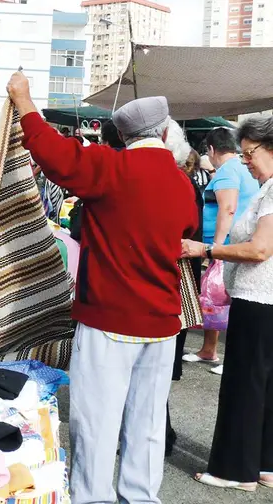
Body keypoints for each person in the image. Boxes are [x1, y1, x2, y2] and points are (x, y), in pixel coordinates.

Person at [7, 72, 196, 504]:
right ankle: (142, 497)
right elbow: (185, 236)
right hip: (163, 321)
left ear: (122, 136)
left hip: (109, 318)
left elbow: (54, 152)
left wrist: (24, 101)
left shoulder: (111, 167)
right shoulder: (182, 184)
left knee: (97, 422)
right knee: (146, 425)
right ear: (166, 132)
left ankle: (94, 499)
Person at [181, 116, 273, 492]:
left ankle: (235, 470)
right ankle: (265, 464)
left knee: (244, 385)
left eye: (249, 153)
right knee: (265, 385)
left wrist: (207, 248)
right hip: (264, 299)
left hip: (259, 298)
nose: (245, 161)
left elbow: (260, 248)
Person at [182, 127, 259, 373]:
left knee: (229, 299)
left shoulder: (226, 172)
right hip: (235, 242)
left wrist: (212, 249)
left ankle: (232, 359)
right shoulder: (243, 168)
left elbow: (228, 208)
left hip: (225, 245)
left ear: (212, 150)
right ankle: (209, 349)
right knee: (215, 299)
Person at [165, 134, 205, 458]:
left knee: (155, 370)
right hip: (179, 280)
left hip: (171, 281)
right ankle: (161, 434)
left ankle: (159, 433)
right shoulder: (188, 186)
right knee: (161, 369)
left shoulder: (178, 186)